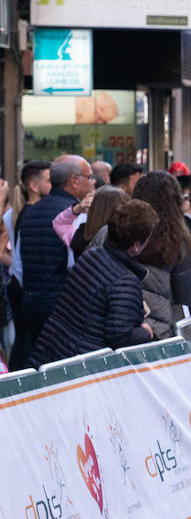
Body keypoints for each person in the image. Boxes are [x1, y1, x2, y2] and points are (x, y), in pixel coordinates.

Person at [29, 199, 156, 364]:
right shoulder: (125, 281)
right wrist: (145, 332)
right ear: (137, 245)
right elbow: (120, 337)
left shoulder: (92, 255)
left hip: (53, 351)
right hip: (81, 367)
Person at [12, 155, 93, 367]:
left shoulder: (29, 213)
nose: (91, 182)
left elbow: (18, 267)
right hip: (66, 305)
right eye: (88, 177)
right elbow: (78, 265)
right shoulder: (80, 216)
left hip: (31, 302)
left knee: (39, 364)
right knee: (65, 370)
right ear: (74, 180)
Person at [133, 171, 191, 337]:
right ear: (176, 202)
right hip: (157, 329)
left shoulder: (111, 230)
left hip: (117, 321)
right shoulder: (177, 241)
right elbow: (189, 295)